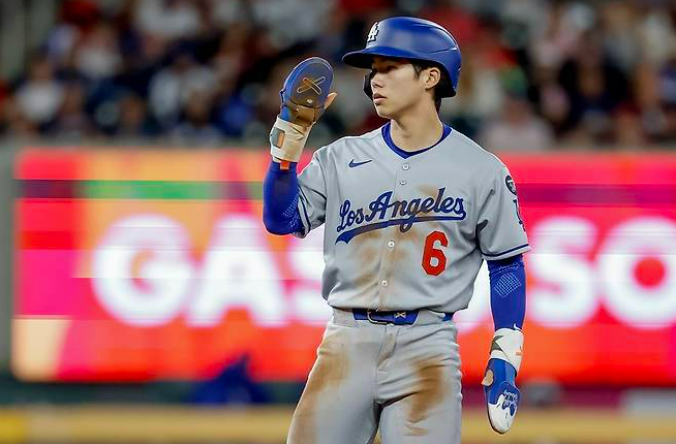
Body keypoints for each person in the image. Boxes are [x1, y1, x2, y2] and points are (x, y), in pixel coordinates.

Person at [263, 16, 529, 444]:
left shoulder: (481, 169)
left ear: (430, 77)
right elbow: (282, 220)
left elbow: (506, 263)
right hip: (345, 342)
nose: (375, 81)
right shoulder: (340, 157)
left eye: (390, 67)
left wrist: (505, 354)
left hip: (428, 346)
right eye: (373, 70)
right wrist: (287, 146)